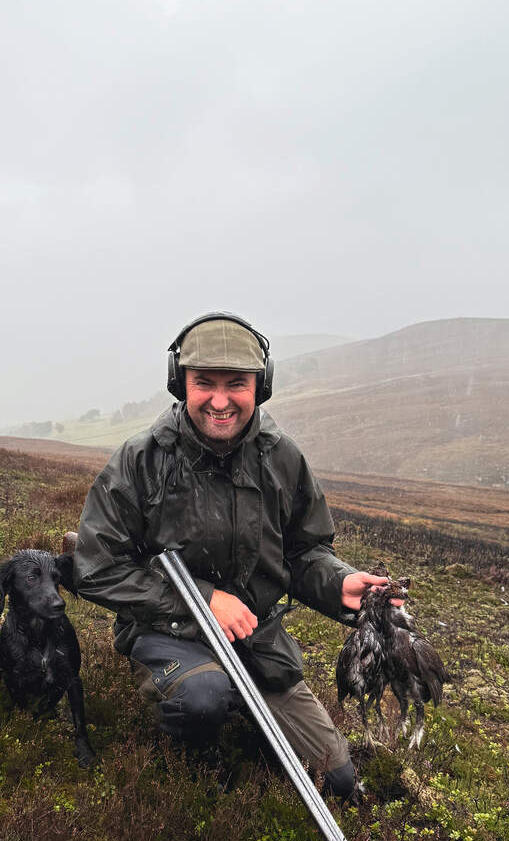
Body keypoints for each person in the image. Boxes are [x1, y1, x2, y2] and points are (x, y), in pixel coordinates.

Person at [73, 313, 394, 799]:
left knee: (338, 779)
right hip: (169, 633)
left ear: (259, 386)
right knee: (203, 699)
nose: (220, 401)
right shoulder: (141, 461)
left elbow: (305, 550)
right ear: (179, 382)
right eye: (204, 383)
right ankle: (200, 762)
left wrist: (338, 583)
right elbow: (97, 568)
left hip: (255, 639)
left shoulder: (282, 458)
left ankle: (253, 722)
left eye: (236, 384)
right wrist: (203, 601)